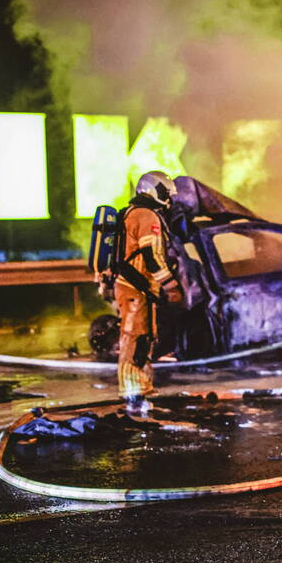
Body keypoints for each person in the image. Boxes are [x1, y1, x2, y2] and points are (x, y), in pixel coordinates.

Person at [114, 171, 182, 411]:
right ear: (153, 190)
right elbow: (152, 257)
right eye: (166, 192)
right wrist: (171, 286)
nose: (169, 198)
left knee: (143, 338)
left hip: (137, 287)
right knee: (135, 339)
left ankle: (141, 390)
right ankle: (133, 394)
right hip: (136, 286)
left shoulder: (133, 213)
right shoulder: (146, 215)